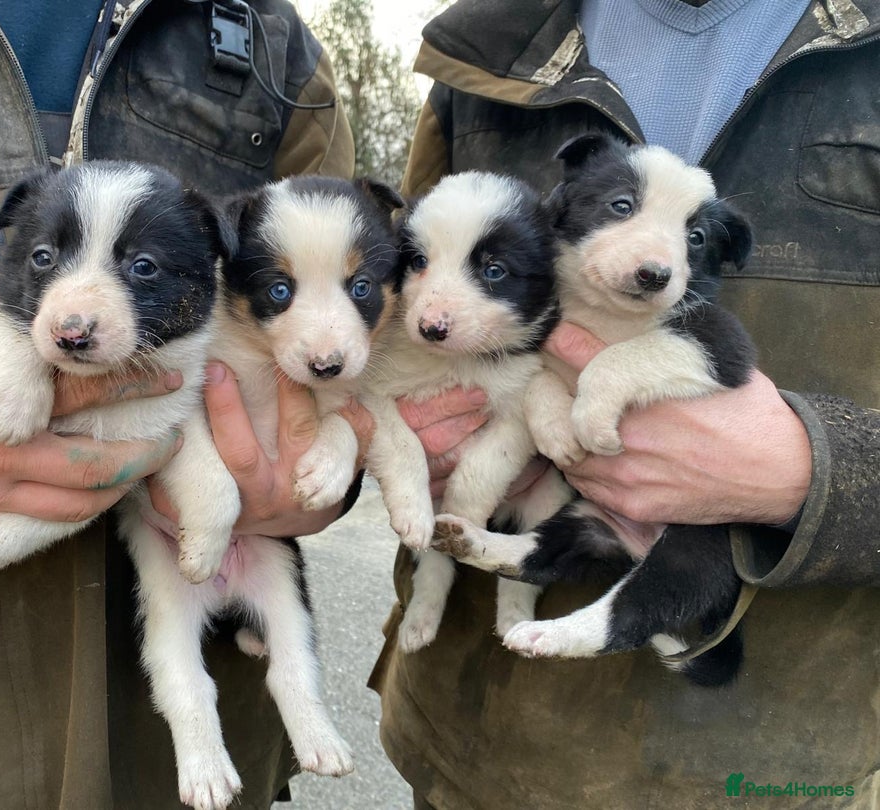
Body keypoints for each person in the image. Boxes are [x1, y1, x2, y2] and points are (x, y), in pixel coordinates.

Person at [0, 1, 361, 807]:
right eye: (44, 256)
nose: (75, 307)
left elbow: (345, 314)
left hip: (174, 751)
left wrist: (326, 479)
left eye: (138, 268)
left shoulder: (271, 44)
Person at [370, 0, 880, 807]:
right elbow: (395, 298)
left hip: (768, 766)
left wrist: (813, 471)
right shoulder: (485, 40)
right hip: (467, 740)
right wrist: (405, 436)